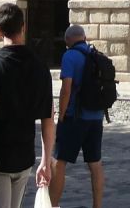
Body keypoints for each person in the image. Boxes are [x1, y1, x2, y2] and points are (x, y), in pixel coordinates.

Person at [0, 3, 54, 208]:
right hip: (24, 158)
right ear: (23, 27)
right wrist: (45, 162)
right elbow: (48, 120)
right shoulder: (40, 68)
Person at [50, 24, 106, 208]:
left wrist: (62, 114)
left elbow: (66, 89)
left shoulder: (70, 56)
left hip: (75, 117)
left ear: (68, 41)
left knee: (59, 162)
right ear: (84, 37)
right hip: (96, 117)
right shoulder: (96, 55)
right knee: (95, 164)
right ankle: (97, 205)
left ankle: (53, 204)